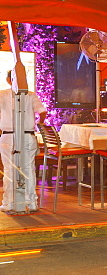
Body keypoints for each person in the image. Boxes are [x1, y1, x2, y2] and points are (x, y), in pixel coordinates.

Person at [0, 71, 46, 214]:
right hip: (28, 136)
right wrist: (39, 124)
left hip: (8, 136)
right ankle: (31, 202)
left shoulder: (2, 95)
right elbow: (42, 112)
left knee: (9, 169)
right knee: (28, 169)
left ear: (8, 80)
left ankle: (8, 203)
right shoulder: (31, 95)